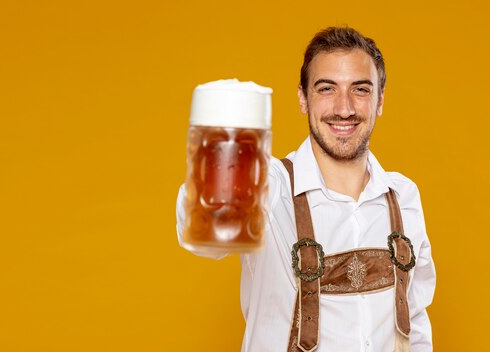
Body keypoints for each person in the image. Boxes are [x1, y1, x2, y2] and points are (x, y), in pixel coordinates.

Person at [176, 27, 436, 352]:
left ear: (380, 100)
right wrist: (224, 153)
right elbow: (202, 237)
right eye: (327, 88)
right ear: (303, 97)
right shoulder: (268, 187)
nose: (344, 108)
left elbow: (415, 322)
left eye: (360, 89)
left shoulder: (403, 197)